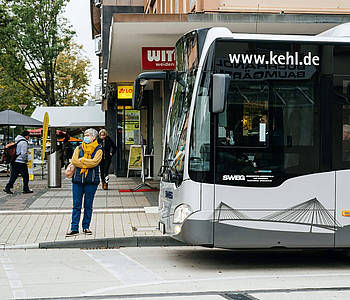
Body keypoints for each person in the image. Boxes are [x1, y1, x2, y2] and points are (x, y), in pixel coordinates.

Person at [66, 128, 102, 237]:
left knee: (88, 205)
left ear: (93, 137)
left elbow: (95, 162)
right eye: (85, 135)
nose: (85, 137)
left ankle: (86, 226)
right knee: (76, 205)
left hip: (91, 181)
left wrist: (82, 160)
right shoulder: (78, 148)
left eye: (87, 135)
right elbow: (74, 161)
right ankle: (74, 228)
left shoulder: (99, 150)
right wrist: (85, 162)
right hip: (77, 180)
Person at [3, 130, 33, 194]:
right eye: (28, 136)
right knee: (25, 176)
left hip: (14, 161)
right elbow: (23, 153)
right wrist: (26, 160)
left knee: (14, 176)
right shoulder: (24, 142)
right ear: (26, 136)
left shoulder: (17, 140)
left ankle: (7, 188)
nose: (28, 137)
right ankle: (25, 189)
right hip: (21, 162)